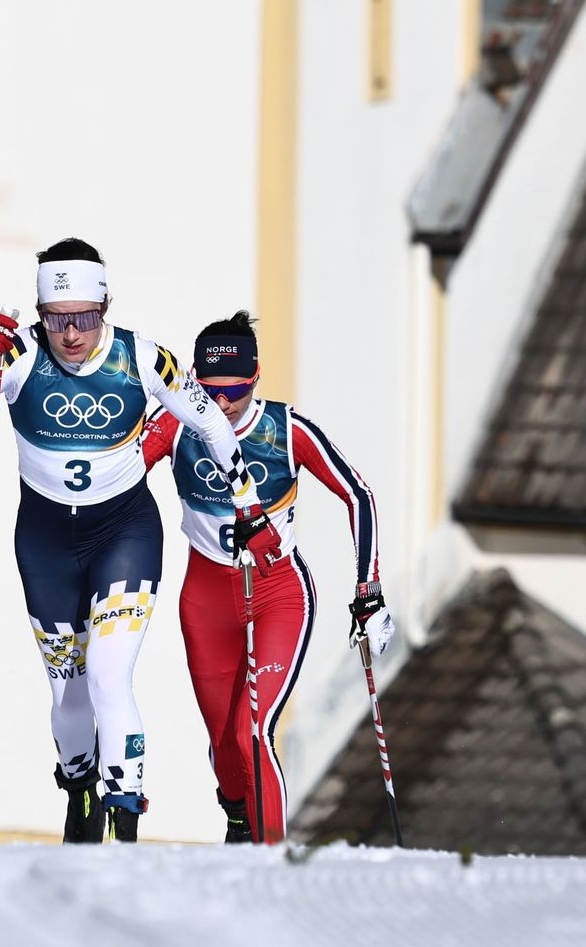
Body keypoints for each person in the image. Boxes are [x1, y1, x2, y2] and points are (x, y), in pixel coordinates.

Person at [0, 240, 283, 844]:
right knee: (68, 693)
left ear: (106, 306)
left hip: (123, 533)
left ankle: (124, 815)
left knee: (110, 676)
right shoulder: (17, 356)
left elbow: (209, 420)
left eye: (86, 317)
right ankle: (79, 786)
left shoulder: (142, 358)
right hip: (45, 543)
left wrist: (245, 495)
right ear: (40, 313)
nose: (72, 334)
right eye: (58, 319)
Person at [140, 310, 391, 844]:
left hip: (277, 593)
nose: (221, 404)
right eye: (208, 390)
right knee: (225, 746)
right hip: (206, 599)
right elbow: (114, 476)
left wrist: (367, 588)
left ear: (254, 379)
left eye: (233, 390)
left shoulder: (287, 428)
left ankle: (271, 864)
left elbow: (358, 495)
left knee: (252, 733)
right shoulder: (176, 422)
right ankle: (236, 815)